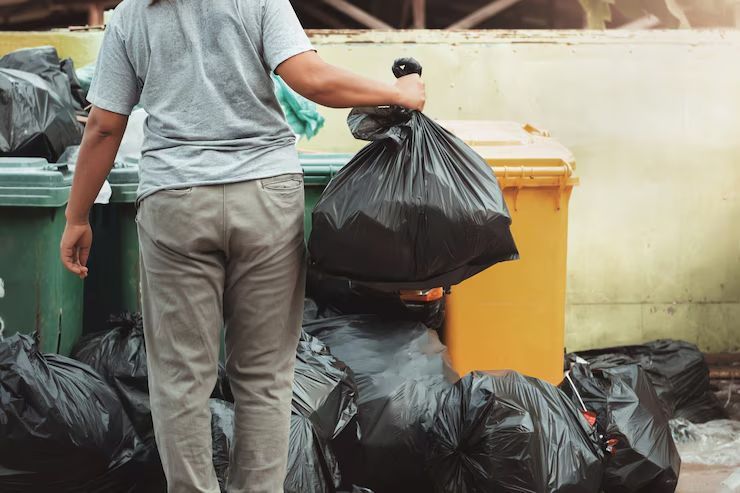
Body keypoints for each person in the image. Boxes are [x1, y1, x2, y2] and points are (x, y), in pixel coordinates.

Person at [58, 1, 425, 492]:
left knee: (181, 378)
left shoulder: (130, 15)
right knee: (265, 375)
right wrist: (397, 91)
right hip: (266, 198)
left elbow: (105, 125)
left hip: (176, 203)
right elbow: (311, 78)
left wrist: (78, 216)